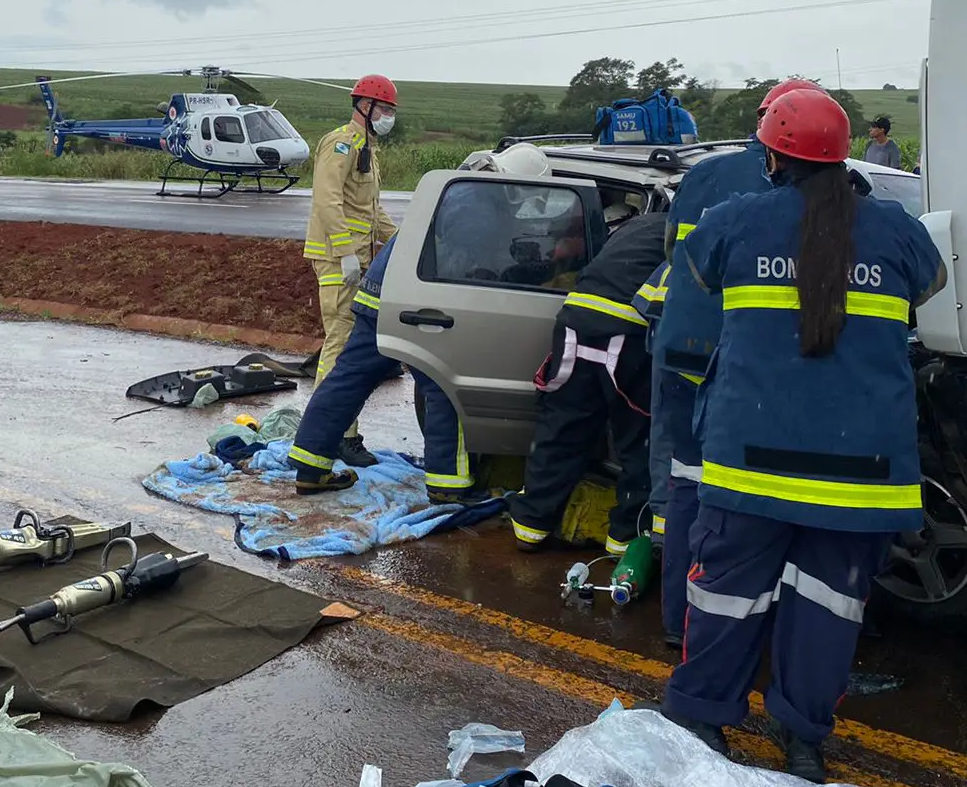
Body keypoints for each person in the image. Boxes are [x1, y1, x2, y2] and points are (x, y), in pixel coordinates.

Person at [656, 89, 945, 782]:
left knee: (724, 597)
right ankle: (804, 743)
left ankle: (701, 720)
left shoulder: (734, 222)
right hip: (863, 474)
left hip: (751, 465)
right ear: (847, 154)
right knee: (828, 608)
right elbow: (930, 289)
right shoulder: (900, 231)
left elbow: (695, 272)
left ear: (771, 155)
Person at [649, 77, 828, 648]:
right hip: (748, 365)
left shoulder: (705, 174)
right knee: (759, 499)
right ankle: (749, 624)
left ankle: (681, 620)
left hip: (683, 352)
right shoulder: (817, 191)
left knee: (687, 485)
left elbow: (677, 257)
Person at [289, 143, 555, 499]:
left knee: (349, 379)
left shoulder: (462, 190)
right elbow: (480, 268)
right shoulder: (481, 207)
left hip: (381, 295)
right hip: (419, 304)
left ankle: (309, 467)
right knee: (446, 388)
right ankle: (448, 486)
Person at [507, 200, 666, 557]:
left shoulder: (634, 229)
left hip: (575, 322)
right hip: (626, 331)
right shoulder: (687, 232)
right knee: (637, 440)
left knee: (561, 427)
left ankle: (531, 526)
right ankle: (625, 539)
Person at [302, 74, 400, 467]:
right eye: (385, 110)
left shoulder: (366, 149)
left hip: (356, 260)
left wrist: (405, 241)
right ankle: (338, 435)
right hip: (336, 259)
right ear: (365, 106)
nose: (389, 117)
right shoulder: (341, 143)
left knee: (344, 346)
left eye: (392, 111)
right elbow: (327, 201)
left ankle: (335, 431)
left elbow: (371, 212)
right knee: (340, 347)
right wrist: (344, 253)